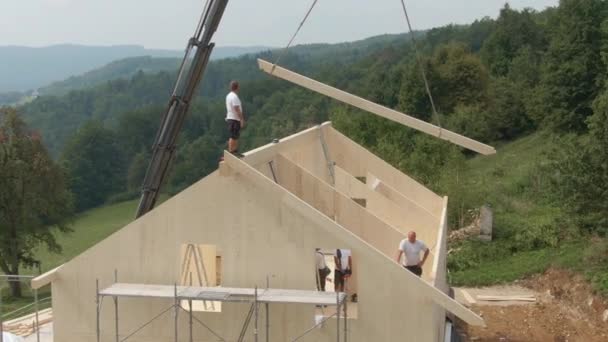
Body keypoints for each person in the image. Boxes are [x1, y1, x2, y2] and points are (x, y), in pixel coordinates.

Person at [225, 80, 245, 157]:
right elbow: (237, 109)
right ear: (237, 87)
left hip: (231, 118)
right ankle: (231, 152)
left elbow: (229, 107)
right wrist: (242, 119)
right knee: (233, 136)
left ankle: (234, 151)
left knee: (235, 135)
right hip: (234, 119)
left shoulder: (228, 96)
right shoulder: (234, 97)